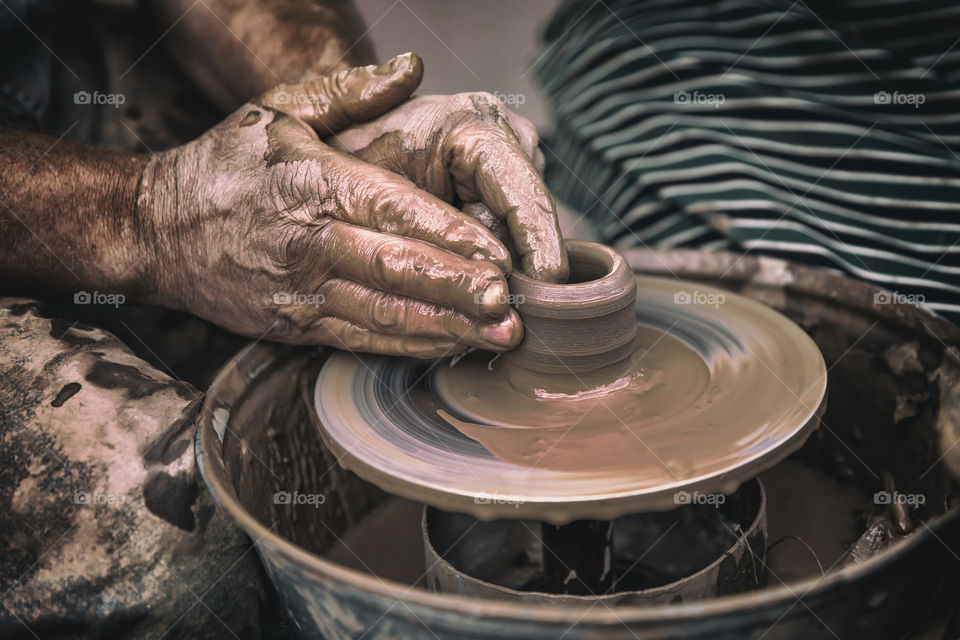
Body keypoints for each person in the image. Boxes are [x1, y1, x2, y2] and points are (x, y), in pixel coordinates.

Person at [0, 1, 565, 637]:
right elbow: (157, 211)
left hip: (57, 59)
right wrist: (149, 215)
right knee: (163, 546)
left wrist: (351, 121)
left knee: (372, 306)